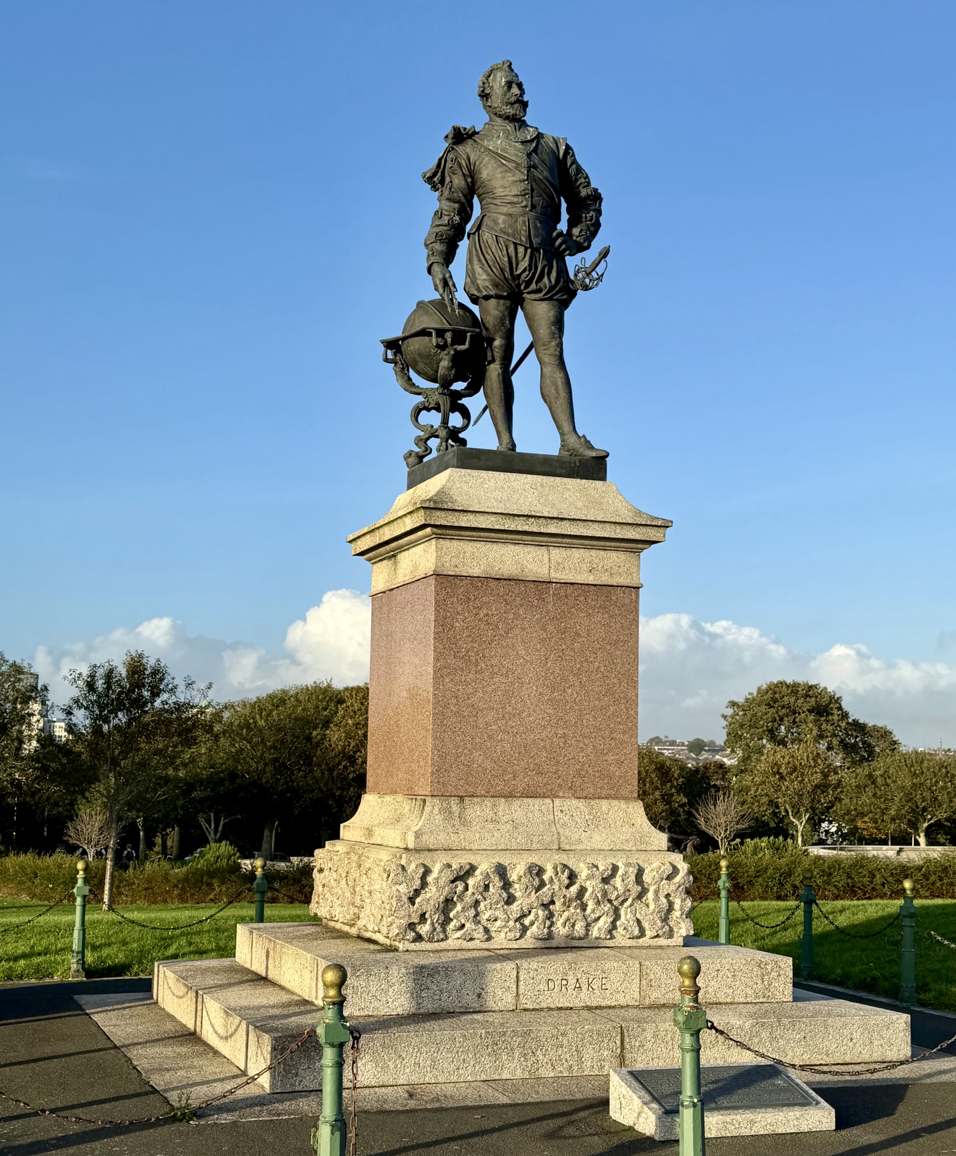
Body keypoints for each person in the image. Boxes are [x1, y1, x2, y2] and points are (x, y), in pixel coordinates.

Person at [423, 60, 607, 458]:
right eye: (509, 86)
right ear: (486, 96)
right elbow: (451, 209)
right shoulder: (467, 149)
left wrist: (577, 239)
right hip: (493, 253)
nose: (519, 92)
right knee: (497, 350)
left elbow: (587, 201)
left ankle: (569, 439)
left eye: (521, 85)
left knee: (551, 350)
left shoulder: (555, 146)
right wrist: (439, 257)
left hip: (544, 256)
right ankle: (505, 443)